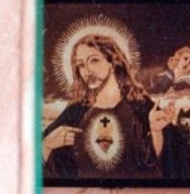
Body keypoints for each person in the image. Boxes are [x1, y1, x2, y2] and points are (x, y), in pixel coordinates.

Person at [42, 33, 178, 180]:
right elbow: (42, 160)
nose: (87, 71)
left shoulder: (140, 105)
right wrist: (46, 145)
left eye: (94, 60)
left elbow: (160, 162)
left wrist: (156, 132)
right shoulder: (75, 112)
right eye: (81, 65)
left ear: (112, 62)